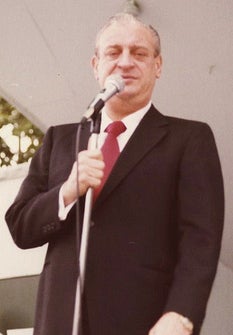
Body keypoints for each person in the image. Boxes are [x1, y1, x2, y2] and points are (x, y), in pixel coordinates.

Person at [5, 13, 224, 335]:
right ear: (95, 65)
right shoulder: (61, 139)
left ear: (157, 66)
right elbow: (21, 228)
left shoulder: (189, 138)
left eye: (139, 53)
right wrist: (67, 190)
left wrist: (182, 314)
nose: (125, 62)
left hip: (144, 320)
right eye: (113, 52)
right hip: (61, 320)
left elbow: (200, 239)